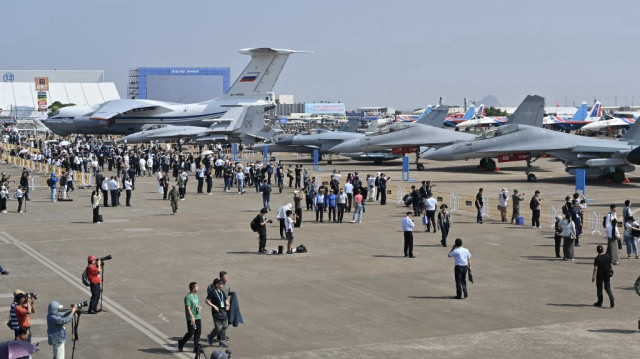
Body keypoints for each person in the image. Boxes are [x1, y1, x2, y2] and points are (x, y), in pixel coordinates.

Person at [178, 282, 202, 352]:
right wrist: (192, 317)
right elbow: (188, 308)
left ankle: (196, 348)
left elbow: (196, 305)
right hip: (191, 318)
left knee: (198, 332)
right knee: (191, 332)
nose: (198, 288)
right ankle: (181, 343)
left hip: (198, 317)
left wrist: (199, 308)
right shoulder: (188, 297)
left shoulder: (196, 296)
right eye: (197, 286)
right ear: (193, 288)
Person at [206, 278, 229, 348]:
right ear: (216, 285)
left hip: (224, 312)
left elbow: (226, 299)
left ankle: (222, 341)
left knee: (225, 326)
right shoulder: (212, 292)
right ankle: (210, 336)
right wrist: (214, 306)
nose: (222, 284)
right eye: (220, 283)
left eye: (222, 283)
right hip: (216, 312)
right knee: (218, 328)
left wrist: (227, 305)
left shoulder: (222, 292)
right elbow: (207, 301)